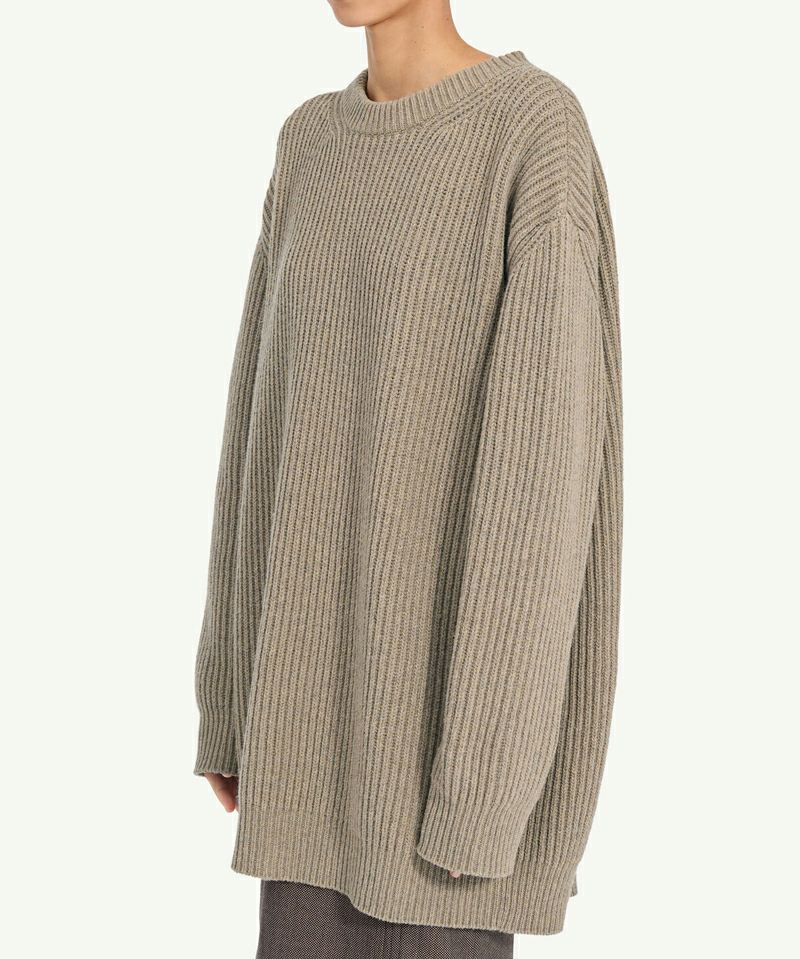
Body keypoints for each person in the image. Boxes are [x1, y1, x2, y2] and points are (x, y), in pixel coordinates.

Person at [194, 0, 622, 955]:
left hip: (440, 785)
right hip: (303, 752)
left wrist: (484, 778)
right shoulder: (309, 143)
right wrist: (229, 699)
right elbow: (259, 428)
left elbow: (543, 482)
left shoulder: (531, 127)